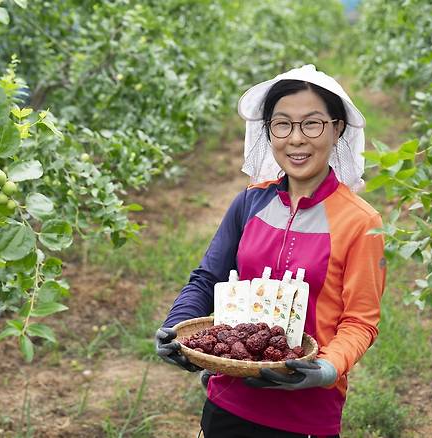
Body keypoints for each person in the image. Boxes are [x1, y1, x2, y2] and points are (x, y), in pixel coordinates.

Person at [155, 64, 386, 438]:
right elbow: (206, 279)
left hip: (306, 412)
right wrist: (175, 325)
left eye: (312, 124)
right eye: (282, 124)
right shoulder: (249, 203)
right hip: (228, 399)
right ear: (268, 131)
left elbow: (360, 321)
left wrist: (326, 369)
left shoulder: (360, 222)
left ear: (337, 128)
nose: (296, 139)